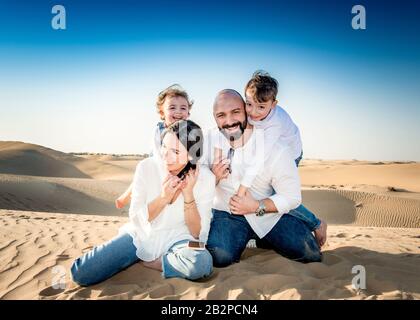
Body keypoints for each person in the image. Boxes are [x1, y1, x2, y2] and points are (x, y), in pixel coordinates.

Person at [71, 120, 215, 286]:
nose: (165, 156)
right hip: (142, 234)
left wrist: (188, 194)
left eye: (175, 151)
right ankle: (141, 256)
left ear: (192, 154)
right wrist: (163, 198)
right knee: (81, 273)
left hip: (180, 239)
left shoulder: (205, 178)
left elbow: (197, 233)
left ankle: (159, 262)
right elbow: (137, 219)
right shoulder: (146, 167)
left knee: (202, 263)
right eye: (164, 147)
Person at [206, 89, 322, 267]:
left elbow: (292, 197)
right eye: (221, 115)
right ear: (215, 118)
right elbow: (195, 187)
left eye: (235, 112)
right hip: (227, 214)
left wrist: (256, 206)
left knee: (310, 253)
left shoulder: (274, 146)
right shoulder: (207, 143)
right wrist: (213, 178)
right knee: (220, 257)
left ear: (246, 110)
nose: (229, 121)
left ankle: (266, 238)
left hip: (266, 214)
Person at [115, 84, 193, 209]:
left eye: (183, 108)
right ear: (162, 112)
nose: (178, 111)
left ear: (188, 113)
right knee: (145, 167)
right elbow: (156, 155)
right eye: (172, 107)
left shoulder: (190, 131)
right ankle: (127, 196)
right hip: (161, 163)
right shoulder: (159, 130)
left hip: (182, 167)